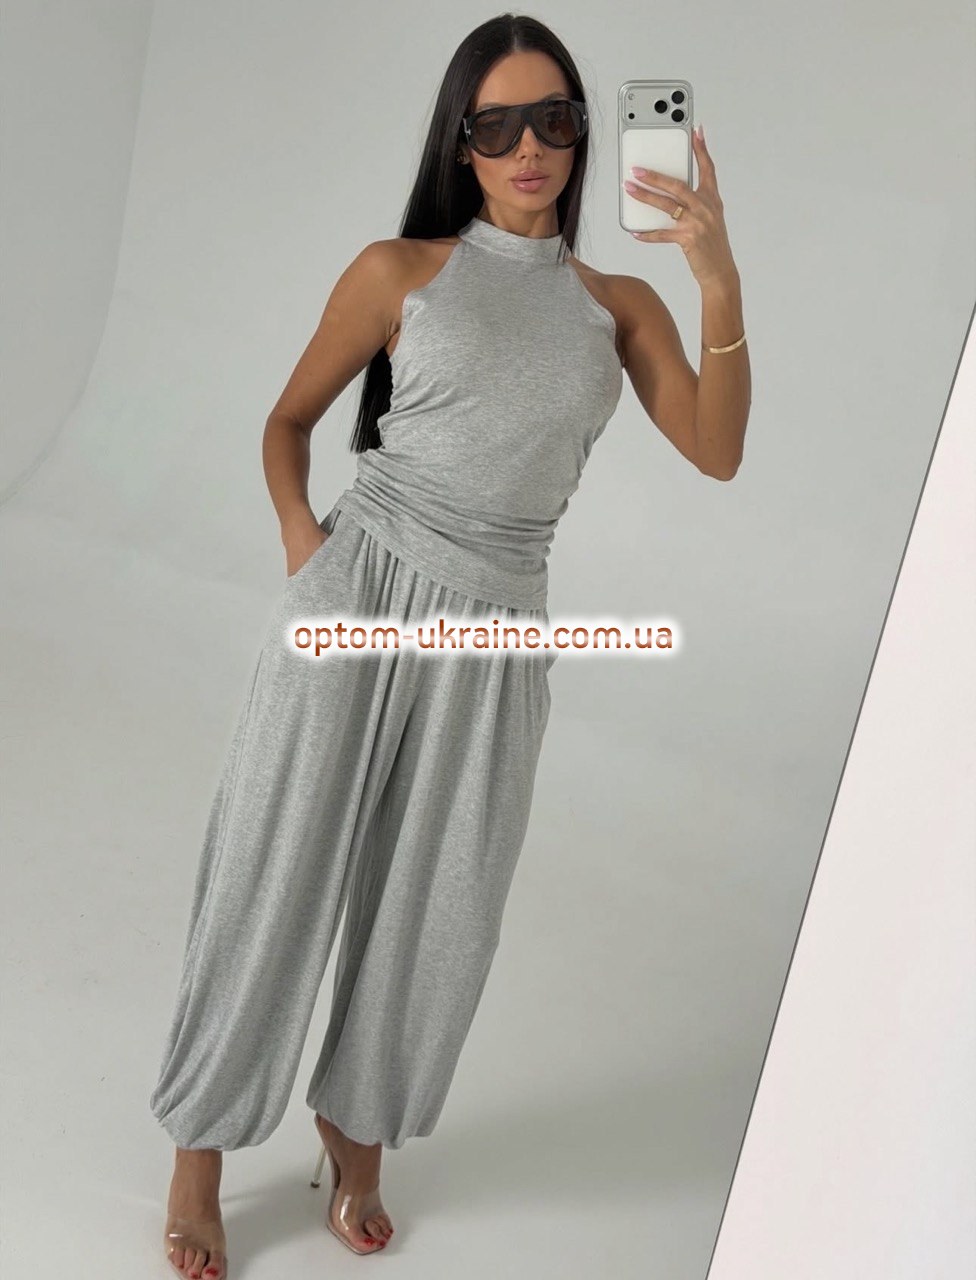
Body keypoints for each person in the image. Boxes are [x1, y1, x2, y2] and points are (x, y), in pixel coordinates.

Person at [150, 12, 748, 1280]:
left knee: (441, 905)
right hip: (358, 591)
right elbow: (287, 421)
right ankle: (201, 1145)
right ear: (461, 145)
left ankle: (355, 1130)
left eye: (553, 119)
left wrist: (717, 281)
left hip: (499, 626)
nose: (528, 147)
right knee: (276, 865)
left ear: (581, 136)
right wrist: (307, 549)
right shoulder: (400, 271)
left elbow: (716, 450)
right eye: (497, 125)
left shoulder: (620, 306)